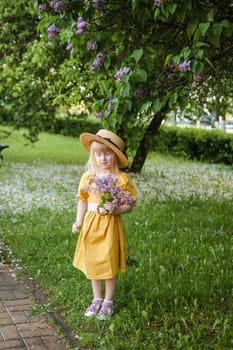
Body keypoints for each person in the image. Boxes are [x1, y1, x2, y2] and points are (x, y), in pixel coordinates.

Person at [72, 129, 137, 320]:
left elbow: (129, 204)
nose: (103, 158)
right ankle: (96, 298)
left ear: (115, 156)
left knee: (108, 261)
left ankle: (108, 301)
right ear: (93, 155)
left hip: (110, 225)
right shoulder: (88, 177)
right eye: (98, 154)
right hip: (92, 224)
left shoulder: (121, 179)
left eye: (107, 153)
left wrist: (116, 209)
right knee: (93, 260)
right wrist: (78, 221)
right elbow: (82, 200)